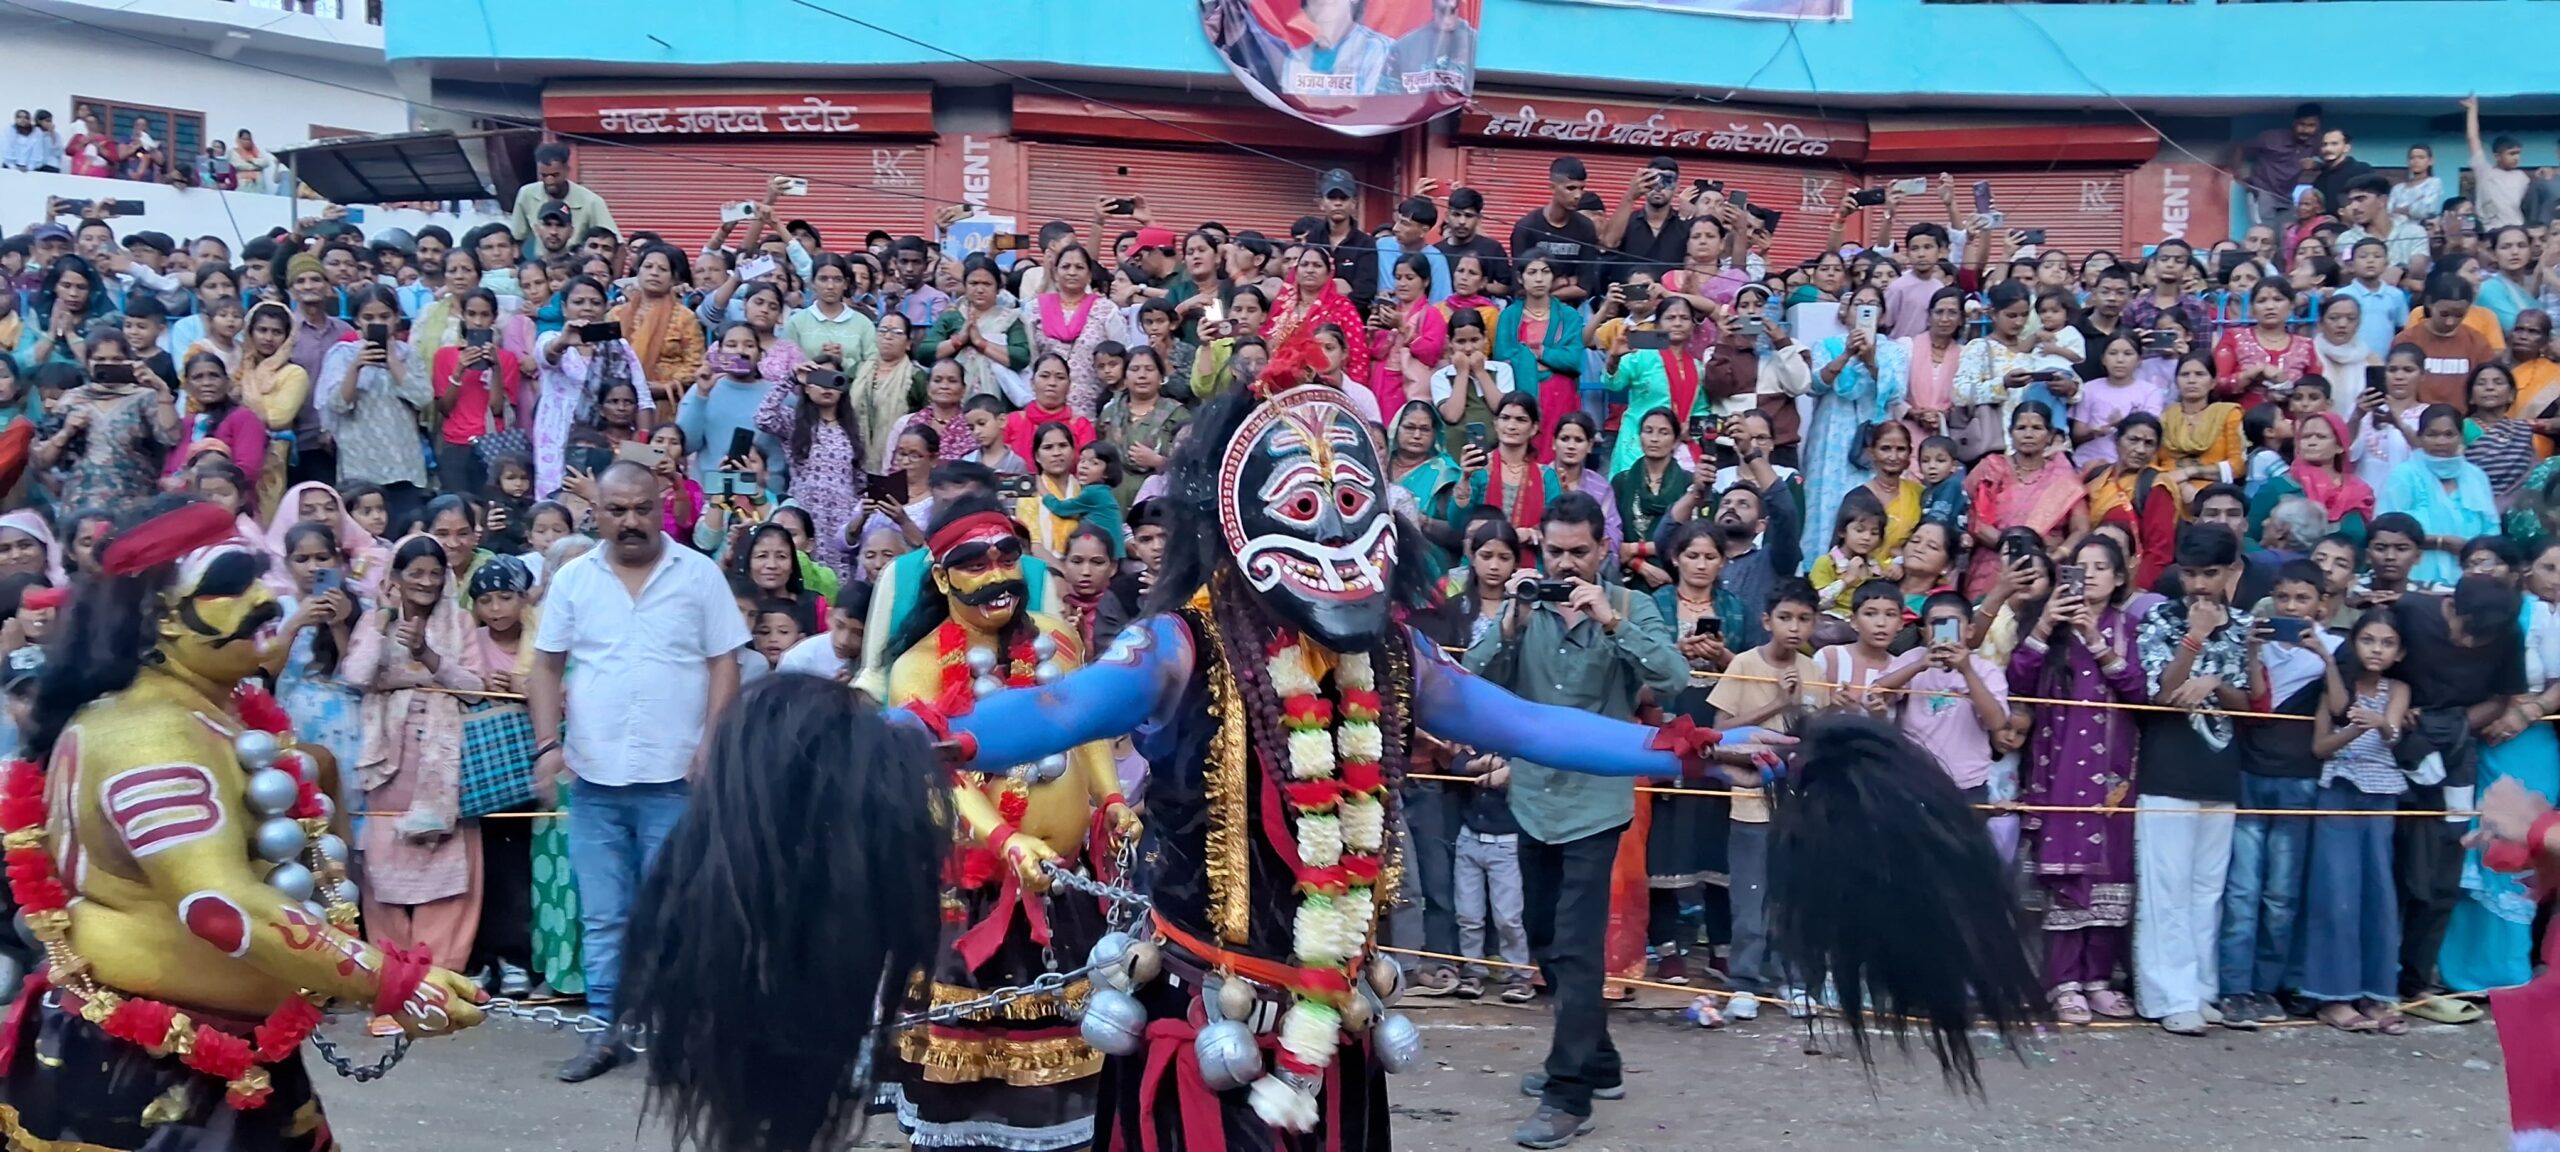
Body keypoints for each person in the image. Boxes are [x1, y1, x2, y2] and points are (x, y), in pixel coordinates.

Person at [613, 341, 2046, 1152]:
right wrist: (902, 729)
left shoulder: (1399, 661)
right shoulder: (1176, 649)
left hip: (1335, 1026)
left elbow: (1537, 721)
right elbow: (1047, 716)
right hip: (1201, 1028)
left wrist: (1708, 752)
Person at [0, 500, 481, 1148]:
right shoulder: (153, 736)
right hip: (147, 1073)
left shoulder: (213, 716)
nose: (266, 595)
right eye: (233, 583)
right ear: (163, 617)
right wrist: (389, 980)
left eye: (261, 573)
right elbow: (221, 908)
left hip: (227, 1059)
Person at [870, 496, 1130, 1152]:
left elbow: (1088, 726)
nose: (995, 574)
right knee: (965, 1101)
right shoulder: (918, 669)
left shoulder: (1057, 637)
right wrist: (1007, 841)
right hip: (971, 898)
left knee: (1082, 1087)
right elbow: (942, 780)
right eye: (972, 562)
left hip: (1067, 889)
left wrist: (1111, 801)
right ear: (940, 577)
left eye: (1007, 555)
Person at [1469, 489, 1685, 1140]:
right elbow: (1474, 682)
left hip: (1597, 801)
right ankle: (1599, 1058)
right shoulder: (1523, 608)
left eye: (1579, 553)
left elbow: (1673, 678)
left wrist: (1612, 621)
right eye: (1554, 551)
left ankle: (1569, 1096)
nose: (1565, 565)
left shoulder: (1631, 604)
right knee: (1542, 936)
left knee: (1578, 944)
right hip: (1531, 798)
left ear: (1603, 551)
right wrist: (1506, 625)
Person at [530, 462, 750, 1081]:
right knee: (605, 913)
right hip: (595, 779)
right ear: (595, 511)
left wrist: (714, 740)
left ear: (664, 506)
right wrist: (548, 745)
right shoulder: (574, 580)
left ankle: (680, 1036)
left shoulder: (699, 575)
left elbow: (724, 663)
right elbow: (546, 667)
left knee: (678, 909)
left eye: (642, 509)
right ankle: (608, 1031)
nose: (630, 521)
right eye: (617, 510)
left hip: (677, 780)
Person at [2133, 522, 2262, 1035]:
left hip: (2220, 768)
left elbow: (2248, 702)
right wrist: (2196, 638)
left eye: (2211, 573)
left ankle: (2202, 988)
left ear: (2233, 571)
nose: (2200, 585)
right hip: (2168, 769)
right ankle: (2169, 994)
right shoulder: (2157, 618)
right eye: (2190, 574)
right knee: (2166, 887)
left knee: (2207, 888)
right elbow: (2160, 691)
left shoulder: (2246, 623)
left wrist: (2213, 680)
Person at [345, 533, 486, 979]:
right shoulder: (375, 620)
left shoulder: (459, 621)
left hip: (444, 767)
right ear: (396, 577)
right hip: (389, 764)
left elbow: (474, 687)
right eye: (416, 573)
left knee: (447, 871)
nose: (425, 582)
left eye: (434, 573)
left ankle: (439, 979)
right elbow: (357, 675)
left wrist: (425, 656)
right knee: (383, 873)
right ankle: (393, 979)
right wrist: (383, 618)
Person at [2216, 560, 2345, 1029]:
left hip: (2300, 780)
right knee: (2243, 889)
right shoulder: (2259, 646)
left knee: (2281, 894)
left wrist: (2326, 658)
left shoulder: (2336, 648)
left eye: (2303, 600)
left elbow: (2341, 707)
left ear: (2321, 605)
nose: (2292, 607)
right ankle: (2233, 988)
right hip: (2251, 775)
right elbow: (2251, 704)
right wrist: (2252, 653)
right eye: (2285, 599)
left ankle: (2266, 987)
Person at [2437, 539, 2560, 995]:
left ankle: (2507, 972)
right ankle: (2459, 972)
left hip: (2531, 743)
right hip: (2483, 741)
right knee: (2477, 846)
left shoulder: (2552, 619)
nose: (2557, 578)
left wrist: (2526, 712)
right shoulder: (2501, 613)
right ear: (2527, 571)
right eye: (2549, 567)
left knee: (2518, 847)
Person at [2301, 608, 2414, 1032]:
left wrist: (2379, 723)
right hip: (2338, 792)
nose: (2377, 650)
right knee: (2336, 892)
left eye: (2387, 643)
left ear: (2399, 652)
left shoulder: (2397, 688)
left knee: (2377, 892)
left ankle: (2378, 994)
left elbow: (2394, 733)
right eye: (2369, 641)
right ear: (2354, 643)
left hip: (2381, 794)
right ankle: (2333, 996)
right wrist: (2356, 727)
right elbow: (2320, 747)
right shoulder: (2336, 687)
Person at [1803, 287, 1911, 562]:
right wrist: (1847, 355)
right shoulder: (1826, 345)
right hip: (1831, 436)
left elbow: (1896, 393)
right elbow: (1814, 386)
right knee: (1825, 505)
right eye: (1858, 304)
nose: (1865, 309)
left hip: (1874, 438)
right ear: (1846, 312)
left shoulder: (1894, 350)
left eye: (1873, 304)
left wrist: (1872, 361)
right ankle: (1820, 569)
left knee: (1871, 504)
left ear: (1883, 314)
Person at [756, 361, 866, 584]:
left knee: (839, 582)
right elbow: (763, 417)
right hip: (805, 515)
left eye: (833, 380)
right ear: (806, 387)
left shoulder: (853, 430)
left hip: (841, 520)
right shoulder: (795, 423)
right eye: (819, 379)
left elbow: (860, 479)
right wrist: (791, 378)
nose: (826, 387)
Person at [1961, 405, 2086, 596]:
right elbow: (1977, 520)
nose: (2029, 434)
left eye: (2037, 428)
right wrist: (2012, 550)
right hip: (1993, 564)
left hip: (2045, 567)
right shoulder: (1992, 467)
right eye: (2021, 428)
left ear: (2050, 434)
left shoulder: (2063, 476)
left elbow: (2081, 529)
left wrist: (2055, 555)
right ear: (2010, 433)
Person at [2377, 404, 2498, 588]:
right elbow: (2384, 530)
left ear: (2460, 437)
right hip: (2414, 579)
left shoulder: (2476, 476)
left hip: (2470, 579)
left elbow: (2492, 530)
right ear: (2420, 436)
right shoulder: (2404, 475)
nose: (2441, 441)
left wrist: (2475, 551)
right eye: (2432, 434)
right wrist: (2440, 542)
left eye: (2449, 434)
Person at [1494, 252, 1585, 449]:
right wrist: (1539, 361)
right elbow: (1502, 359)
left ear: (1553, 278)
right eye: (1532, 272)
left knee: (1560, 449)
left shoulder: (1568, 316)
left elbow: (1574, 360)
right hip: (1522, 396)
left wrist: (1541, 353)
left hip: (1560, 394)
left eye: (1545, 272)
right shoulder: (1509, 316)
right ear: (1520, 278)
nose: (1538, 278)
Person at [923, 256, 1032, 404]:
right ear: (965, 286)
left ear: (998, 288)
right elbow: (925, 352)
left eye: (987, 284)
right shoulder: (953, 316)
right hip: (954, 398)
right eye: (974, 283)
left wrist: (980, 343)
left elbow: (1021, 357)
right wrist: (959, 341)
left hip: (1000, 399)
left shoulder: (1010, 318)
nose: (980, 289)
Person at [610, 245, 706, 410]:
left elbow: (695, 363)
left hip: (666, 402)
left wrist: (665, 386)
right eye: (648, 267)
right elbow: (605, 358)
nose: (654, 272)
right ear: (637, 272)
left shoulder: (685, 317)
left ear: (673, 278)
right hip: (621, 400)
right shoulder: (616, 314)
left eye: (662, 269)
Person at [509, 142, 620, 250]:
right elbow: (517, 238)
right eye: (544, 175)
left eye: (555, 175)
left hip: (575, 265)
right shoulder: (526, 194)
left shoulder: (591, 201)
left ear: (567, 170)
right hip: (541, 264)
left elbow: (618, 245)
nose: (550, 181)